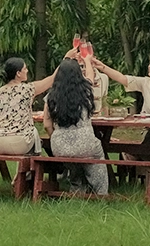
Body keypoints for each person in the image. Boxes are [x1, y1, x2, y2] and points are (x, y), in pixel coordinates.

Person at [93, 52, 150, 154]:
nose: (149, 66)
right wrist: (102, 67)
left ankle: (135, 157)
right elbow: (122, 78)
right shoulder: (146, 83)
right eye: (149, 63)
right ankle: (140, 161)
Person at [43, 58, 108, 195]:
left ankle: (77, 187)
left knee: (72, 159)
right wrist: (87, 60)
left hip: (59, 146)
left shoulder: (51, 97)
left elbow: (46, 125)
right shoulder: (86, 91)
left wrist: (56, 137)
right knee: (96, 154)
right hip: (85, 142)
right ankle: (100, 191)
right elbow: (90, 76)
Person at [0, 57, 54, 155]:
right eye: (25, 68)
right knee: (33, 132)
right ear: (18, 73)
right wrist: (66, 58)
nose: (27, 71)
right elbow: (52, 79)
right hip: (18, 143)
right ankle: (35, 163)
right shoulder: (27, 89)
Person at [79, 42, 109, 116]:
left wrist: (106, 117)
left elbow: (104, 102)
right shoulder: (75, 78)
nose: (85, 59)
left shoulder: (103, 78)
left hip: (99, 118)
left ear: (94, 58)